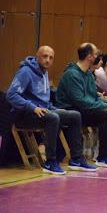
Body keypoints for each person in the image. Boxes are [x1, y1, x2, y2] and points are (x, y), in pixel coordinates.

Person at [6, 46, 96, 174]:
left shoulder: (44, 72)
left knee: (74, 115)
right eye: (44, 56)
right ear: (37, 57)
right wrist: (32, 107)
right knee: (53, 118)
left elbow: (44, 101)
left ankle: (76, 159)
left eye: (51, 58)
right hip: (24, 114)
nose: (47, 60)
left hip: (43, 111)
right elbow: (11, 95)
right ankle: (50, 162)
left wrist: (54, 108)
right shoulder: (25, 71)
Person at [56, 43, 107, 168]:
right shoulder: (72, 74)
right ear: (89, 56)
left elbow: (94, 96)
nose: (98, 57)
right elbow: (79, 101)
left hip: (84, 108)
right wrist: (105, 107)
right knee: (105, 114)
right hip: (71, 110)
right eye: (95, 54)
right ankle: (103, 157)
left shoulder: (88, 73)